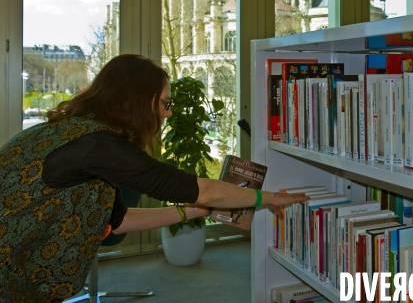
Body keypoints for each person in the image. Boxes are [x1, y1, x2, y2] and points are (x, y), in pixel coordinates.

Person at [0, 54, 308, 302]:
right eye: (164, 103)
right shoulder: (100, 145)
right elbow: (203, 190)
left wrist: (190, 212)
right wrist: (271, 198)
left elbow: (118, 221)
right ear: (139, 101)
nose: (167, 114)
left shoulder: (77, 133)